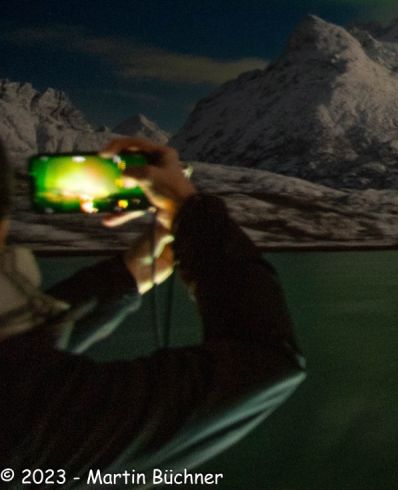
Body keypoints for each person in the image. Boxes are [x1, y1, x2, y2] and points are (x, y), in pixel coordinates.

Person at [0, 137, 305, 476]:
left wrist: (129, 275)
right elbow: (263, 361)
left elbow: (23, 352)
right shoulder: (26, 419)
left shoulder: (23, 385)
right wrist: (188, 209)